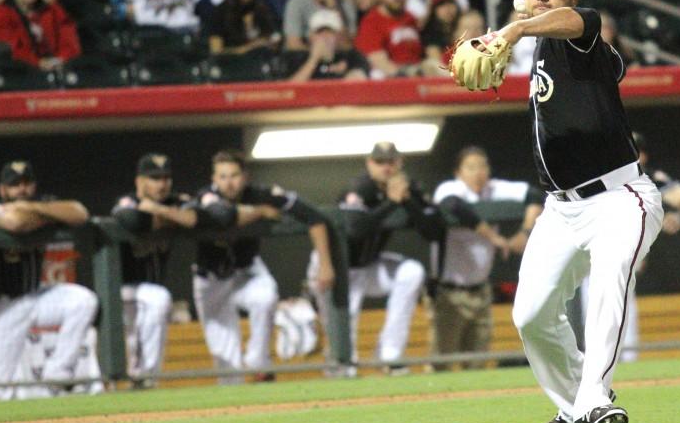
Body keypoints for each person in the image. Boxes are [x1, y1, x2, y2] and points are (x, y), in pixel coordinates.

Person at [451, 0, 664, 423]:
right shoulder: (537, 47)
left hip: (619, 197)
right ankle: (574, 404)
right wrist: (516, 25)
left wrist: (512, 28)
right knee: (531, 315)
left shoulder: (583, 36)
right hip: (561, 208)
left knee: (609, 286)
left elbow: (573, 23)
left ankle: (595, 400)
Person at [193, 150, 335, 382]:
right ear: (214, 179)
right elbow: (222, 216)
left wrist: (325, 264)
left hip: (247, 272)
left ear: (245, 176)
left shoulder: (259, 193)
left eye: (234, 175)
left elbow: (314, 217)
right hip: (211, 279)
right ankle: (235, 405)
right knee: (227, 367)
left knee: (265, 295)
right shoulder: (205, 196)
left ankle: (259, 363)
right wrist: (259, 211)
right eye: (223, 176)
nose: (229, 182)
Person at [309, 142, 444, 371]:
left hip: (368, 266)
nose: (386, 167)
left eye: (391, 162)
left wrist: (407, 201)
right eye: (379, 162)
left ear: (399, 163)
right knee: (343, 344)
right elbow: (355, 229)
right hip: (335, 267)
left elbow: (434, 231)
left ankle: (389, 354)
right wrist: (392, 203)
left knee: (412, 272)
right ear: (369, 163)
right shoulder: (359, 188)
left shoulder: (407, 187)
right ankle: (340, 375)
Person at [0, 161, 96, 400]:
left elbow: (80, 213)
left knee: (83, 301)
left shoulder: (40, 203)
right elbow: (14, 223)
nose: (21, 189)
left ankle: (57, 375)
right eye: (14, 185)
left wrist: (33, 208)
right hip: (1, 306)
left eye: (26, 183)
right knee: (1, 390)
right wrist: (46, 214)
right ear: (2, 190)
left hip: (35, 295)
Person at [579, 132, 680, 364]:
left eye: (634, 150)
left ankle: (628, 370)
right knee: (590, 317)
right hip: (590, 257)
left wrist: (678, 217)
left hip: (623, 256)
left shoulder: (649, 178)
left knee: (624, 318)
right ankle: (593, 372)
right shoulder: (597, 176)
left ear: (642, 155)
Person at [431, 146, 542, 369]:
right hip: (449, 293)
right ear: (458, 172)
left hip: (481, 291)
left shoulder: (494, 188)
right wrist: (494, 237)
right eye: (470, 167)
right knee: (442, 364)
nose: (478, 172)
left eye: (482, 166)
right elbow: (452, 205)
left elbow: (535, 195)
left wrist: (525, 233)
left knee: (477, 364)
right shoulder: (451, 188)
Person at [111, 154, 197, 386]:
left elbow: (193, 218)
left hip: (147, 291)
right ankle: (143, 378)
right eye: (155, 178)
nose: (162, 184)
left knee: (156, 303)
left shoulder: (174, 201)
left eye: (166, 178)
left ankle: (145, 380)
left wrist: (158, 210)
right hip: (121, 289)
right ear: (140, 181)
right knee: (156, 302)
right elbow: (131, 219)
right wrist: (170, 217)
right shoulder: (127, 201)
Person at [354, 0, 424, 77]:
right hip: (390, 80)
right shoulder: (371, 21)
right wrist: (407, 76)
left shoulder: (411, 18)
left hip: (416, 74)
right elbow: (378, 61)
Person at [207, 0, 277, 55]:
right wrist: (252, 47)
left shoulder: (260, 9)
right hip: (231, 65)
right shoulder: (219, 13)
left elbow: (269, 36)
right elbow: (217, 51)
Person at [280, 9, 368, 81]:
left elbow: (358, 82)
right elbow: (289, 92)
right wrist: (313, 59)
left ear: (338, 36)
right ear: (311, 36)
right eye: (319, 31)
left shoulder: (351, 56)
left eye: (329, 31)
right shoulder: (298, 58)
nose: (324, 36)